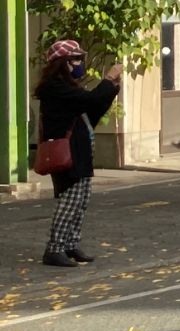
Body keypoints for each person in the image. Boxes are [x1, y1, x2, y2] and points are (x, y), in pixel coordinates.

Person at [34, 41, 121, 268]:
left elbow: (92, 109)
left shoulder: (68, 86)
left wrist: (111, 89)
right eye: (74, 59)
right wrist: (108, 81)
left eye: (80, 58)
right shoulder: (55, 87)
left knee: (81, 200)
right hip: (67, 151)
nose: (79, 63)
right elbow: (89, 101)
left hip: (79, 149)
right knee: (70, 201)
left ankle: (70, 244)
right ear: (61, 64)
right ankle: (54, 248)